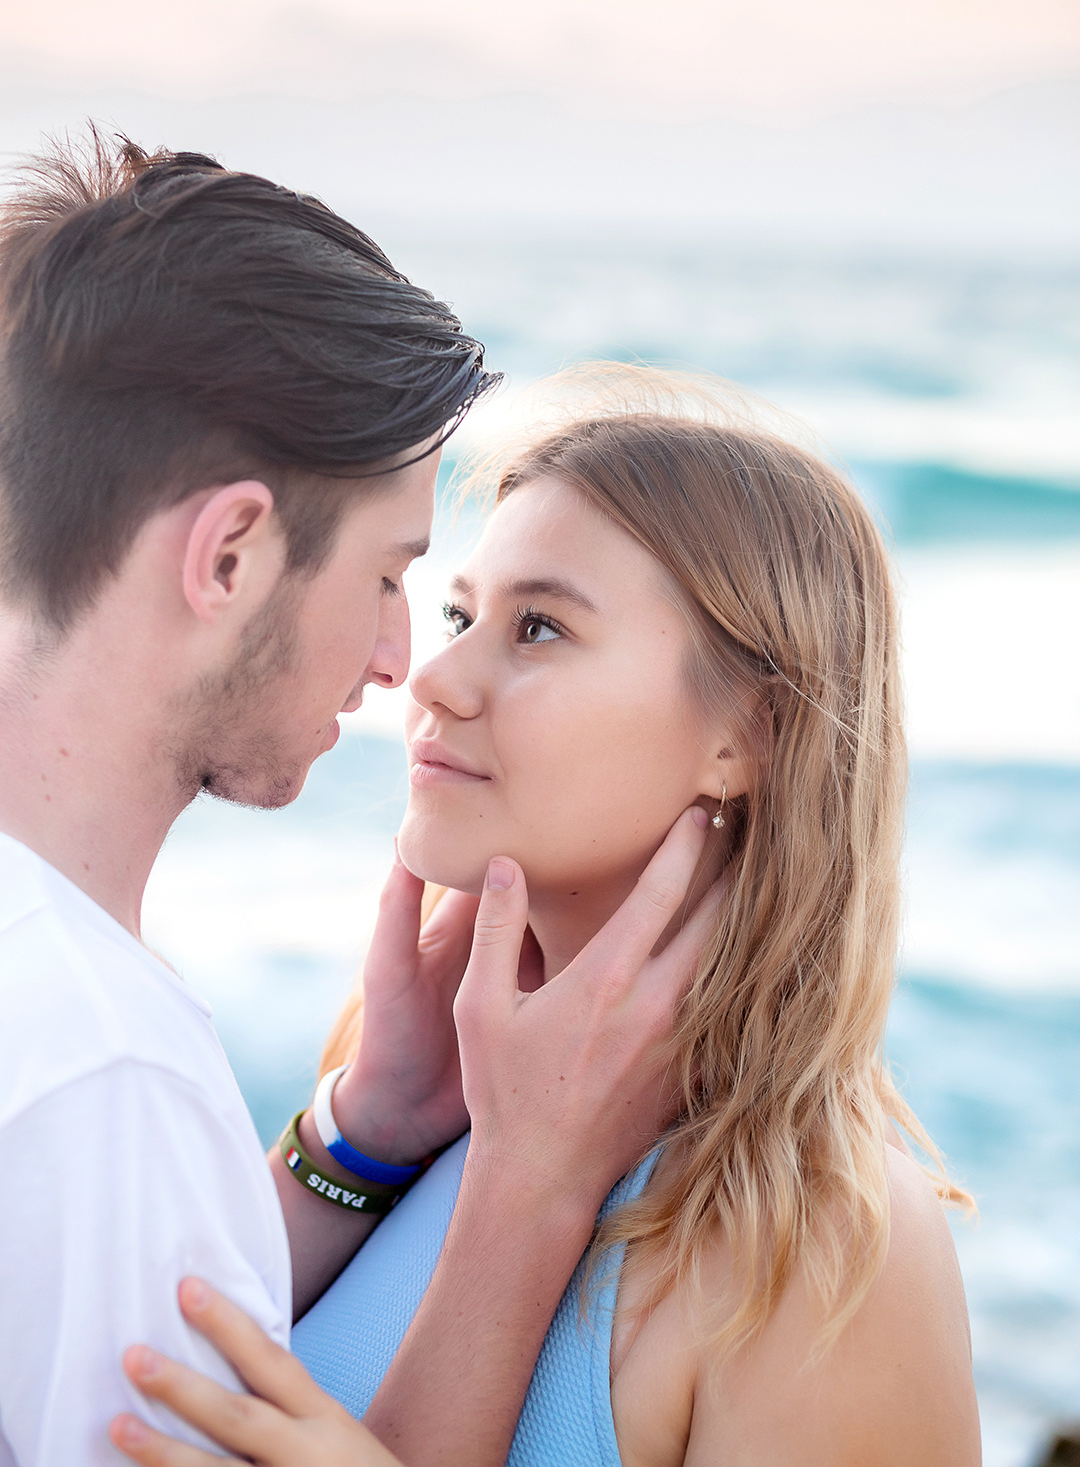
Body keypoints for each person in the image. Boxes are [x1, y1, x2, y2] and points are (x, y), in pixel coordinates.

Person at [0, 141, 715, 1467]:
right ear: (228, 555)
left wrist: (362, 1137)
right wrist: (532, 1191)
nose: (404, 664)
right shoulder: (98, 1067)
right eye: (391, 577)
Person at [119, 379, 982, 1466]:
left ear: (748, 736)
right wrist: (364, 1134)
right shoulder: (434, 1118)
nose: (434, 678)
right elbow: (114, 1390)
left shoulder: (820, 1244)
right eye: (459, 616)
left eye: (539, 627)